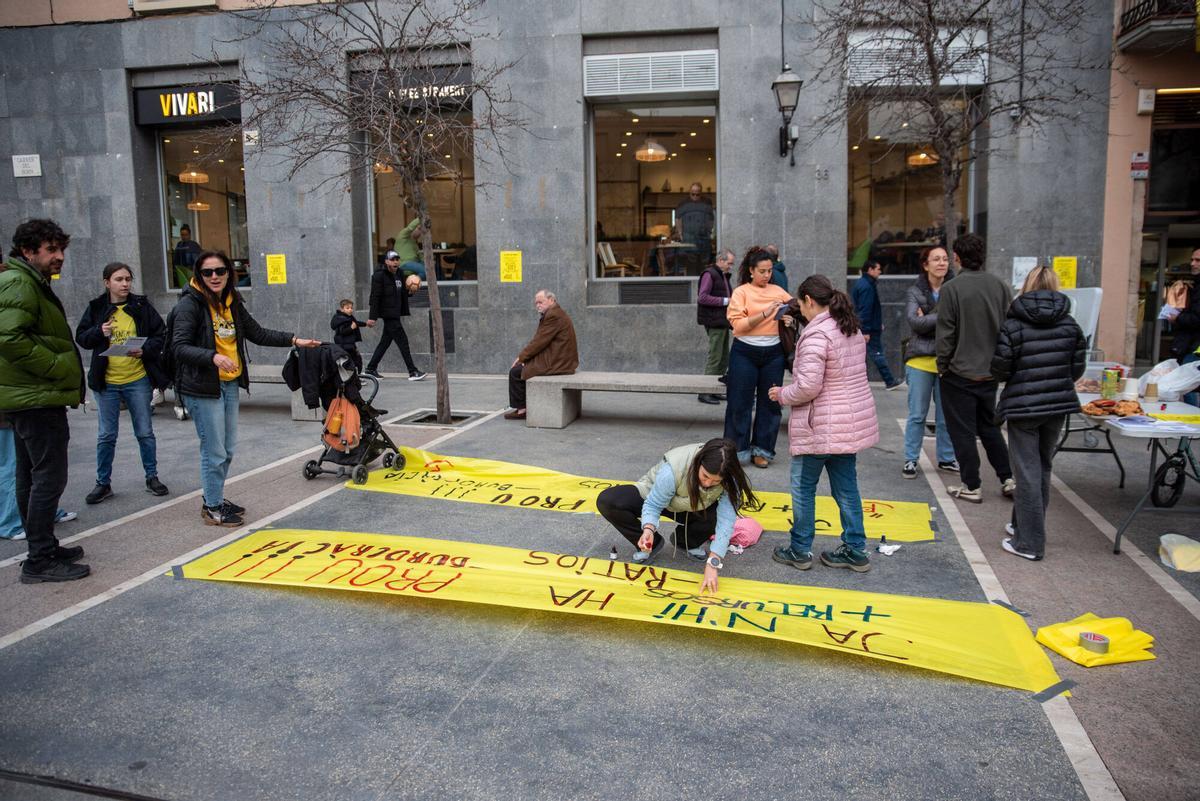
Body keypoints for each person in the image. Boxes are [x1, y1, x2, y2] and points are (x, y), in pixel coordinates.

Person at [170, 251, 319, 527]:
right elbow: (178, 347)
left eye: (220, 271)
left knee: (226, 450)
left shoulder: (231, 302)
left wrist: (295, 340)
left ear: (229, 273)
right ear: (198, 275)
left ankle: (214, 497)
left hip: (229, 383)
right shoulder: (189, 306)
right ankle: (212, 507)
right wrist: (212, 357)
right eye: (207, 272)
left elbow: (257, 333)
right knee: (213, 450)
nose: (215, 277)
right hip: (203, 387)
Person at [769, 274, 879, 573]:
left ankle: (800, 549)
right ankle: (856, 549)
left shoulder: (817, 335)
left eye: (801, 304)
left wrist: (781, 394)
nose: (800, 311)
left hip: (820, 426)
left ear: (808, 301)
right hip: (848, 425)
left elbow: (807, 387)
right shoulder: (849, 327)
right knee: (847, 489)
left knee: (803, 488)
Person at [0, 218, 88, 582]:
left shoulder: (26, 281)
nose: (59, 257)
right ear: (27, 250)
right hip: (35, 398)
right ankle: (39, 559)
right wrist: (54, 366)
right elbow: (8, 337)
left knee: (30, 475)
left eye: (61, 249)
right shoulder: (19, 282)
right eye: (51, 250)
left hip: (28, 397)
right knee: (48, 477)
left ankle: (43, 546)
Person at [991, 266, 1087, 561]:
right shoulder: (1070, 324)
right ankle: (1023, 526)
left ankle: (1029, 543)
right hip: (1057, 405)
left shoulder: (1014, 324)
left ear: (1027, 285)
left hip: (1023, 405)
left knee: (1027, 472)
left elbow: (1001, 368)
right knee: (1042, 467)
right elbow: (1077, 367)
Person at [596, 438, 758, 592]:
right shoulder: (673, 470)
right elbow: (653, 505)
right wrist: (648, 530)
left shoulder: (731, 479)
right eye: (705, 476)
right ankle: (649, 544)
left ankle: (686, 541)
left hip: (696, 506)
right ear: (698, 463)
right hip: (656, 497)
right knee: (608, 501)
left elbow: (726, 521)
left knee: (718, 515)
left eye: (716, 481)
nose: (708, 484)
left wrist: (713, 563)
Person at [75, 262, 170, 504]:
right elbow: (82, 338)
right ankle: (103, 483)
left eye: (128, 279)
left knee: (145, 432)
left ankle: (152, 477)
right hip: (106, 382)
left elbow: (161, 334)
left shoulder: (140, 305)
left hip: (136, 379)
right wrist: (100, 331)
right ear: (107, 282)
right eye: (119, 279)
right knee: (106, 435)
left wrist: (144, 349)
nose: (125, 283)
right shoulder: (97, 307)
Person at [935, 233, 1014, 503]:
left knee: (962, 432)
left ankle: (972, 485)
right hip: (990, 371)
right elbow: (1008, 329)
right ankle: (1007, 477)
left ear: (957, 257)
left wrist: (943, 365)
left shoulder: (951, 289)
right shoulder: (1000, 287)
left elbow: (946, 334)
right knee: (989, 427)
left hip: (959, 371)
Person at [724, 247, 793, 468]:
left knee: (771, 402)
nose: (767, 275)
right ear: (751, 271)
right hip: (745, 351)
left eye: (769, 271)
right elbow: (738, 326)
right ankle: (737, 450)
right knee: (739, 402)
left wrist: (790, 320)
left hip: (774, 353)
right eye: (762, 271)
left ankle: (763, 450)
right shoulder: (741, 292)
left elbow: (795, 309)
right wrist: (765, 313)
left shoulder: (779, 291)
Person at [901, 247, 958, 478]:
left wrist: (930, 318)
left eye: (945, 259)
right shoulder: (915, 291)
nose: (941, 263)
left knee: (946, 414)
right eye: (936, 259)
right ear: (926, 265)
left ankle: (946, 458)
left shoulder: (955, 289)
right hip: (920, 361)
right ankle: (910, 459)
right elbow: (915, 322)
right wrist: (946, 317)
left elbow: (959, 320)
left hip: (948, 360)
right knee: (917, 414)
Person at [505, 289, 578, 420]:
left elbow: (539, 342)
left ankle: (522, 410)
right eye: (536, 303)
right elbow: (541, 341)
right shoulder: (555, 312)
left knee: (515, 372)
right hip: (559, 359)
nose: (538, 305)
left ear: (551, 300)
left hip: (558, 362)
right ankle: (525, 406)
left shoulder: (553, 316)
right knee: (522, 368)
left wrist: (521, 358)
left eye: (541, 302)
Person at [364, 251, 426, 381]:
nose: (395, 262)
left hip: (396, 313)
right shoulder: (379, 276)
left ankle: (370, 369)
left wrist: (411, 291)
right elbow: (375, 297)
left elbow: (403, 293)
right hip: (388, 314)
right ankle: (413, 371)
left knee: (385, 342)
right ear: (386, 261)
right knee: (403, 342)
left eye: (397, 259)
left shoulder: (400, 274)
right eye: (392, 259)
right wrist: (372, 317)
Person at [851, 259, 902, 390]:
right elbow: (865, 309)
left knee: (869, 354)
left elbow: (869, 309)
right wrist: (866, 330)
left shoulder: (865, 284)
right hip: (869, 328)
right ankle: (889, 381)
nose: (880, 271)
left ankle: (887, 381)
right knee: (877, 353)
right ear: (870, 269)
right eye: (878, 269)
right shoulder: (867, 286)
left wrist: (877, 323)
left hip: (871, 326)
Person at [1162, 248, 1200, 407]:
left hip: (1195, 346)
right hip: (1191, 344)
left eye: (1198, 260)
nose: (1193, 263)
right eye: (1192, 259)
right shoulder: (1196, 285)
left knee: (1185, 386)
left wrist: (1178, 317)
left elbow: (1197, 318)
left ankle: (1189, 428)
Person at [696, 248, 734, 405]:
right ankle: (705, 392)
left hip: (722, 321)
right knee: (715, 357)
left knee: (723, 357)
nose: (730, 266)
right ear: (720, 261)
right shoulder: (710, 274)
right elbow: (702, 297)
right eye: (729, 263)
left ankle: (715, 390)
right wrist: (726, 301)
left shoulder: (721, 275)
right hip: (715, 321)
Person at [674, 182, 714, 275]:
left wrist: (709, 231)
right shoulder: (683, 203)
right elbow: (677, 218)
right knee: (691, 265)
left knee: (704, 265)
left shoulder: (707, 202)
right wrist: (680, 233)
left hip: (704, 239)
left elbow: (711, 218)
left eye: (697, 194)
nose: (695, 196)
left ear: (701, 193)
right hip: (689, 239)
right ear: (689, 192)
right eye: (693, 194)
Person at [330, 298, 366, 372]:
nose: (350, 310)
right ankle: (356, 378)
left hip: (348, 344)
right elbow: (342, 332)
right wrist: (351, 328)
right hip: (345, 345)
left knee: (356, 360)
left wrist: (366, 324)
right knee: (355, 361)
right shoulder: (342, 319)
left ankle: (355, 378)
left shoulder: (347, 317)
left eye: (351, 308)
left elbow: (356, 323)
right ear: (342, 309)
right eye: (347, 308)